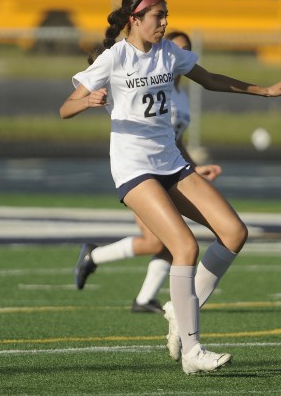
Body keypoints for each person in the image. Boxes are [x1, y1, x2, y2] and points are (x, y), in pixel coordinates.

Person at [60, 0, 281, 374]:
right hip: (133, 167)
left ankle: (179, 311)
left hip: (170, 162)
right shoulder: (114, 58)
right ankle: (192, 351)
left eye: (166, 14)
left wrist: (264, 91)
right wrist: (86, 102)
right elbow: (64, 108)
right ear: (135, 19)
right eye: (158, 16)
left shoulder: (169, 53)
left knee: (234, 233)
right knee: (184, 247)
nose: (164, 22)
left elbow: (211, 79)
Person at [73, 30, 223, 315]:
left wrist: (193, 166)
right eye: (175, 48)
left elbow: (173, 139)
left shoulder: (180, 95)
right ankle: (94, 256)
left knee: (172, 241)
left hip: (168, 166)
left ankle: (143, 299)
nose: (177, 56)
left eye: (185, 50)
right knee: (160, 240)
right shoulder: (144, 76)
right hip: (139, 169)